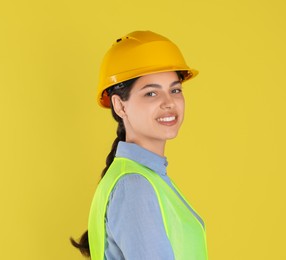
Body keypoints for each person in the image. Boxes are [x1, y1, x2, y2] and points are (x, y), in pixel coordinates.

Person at [71, 30, 208, 260]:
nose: (169, 103)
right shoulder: (134, 186)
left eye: (175, 90)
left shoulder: (143, 178)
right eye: (151, 93)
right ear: (120, 106)